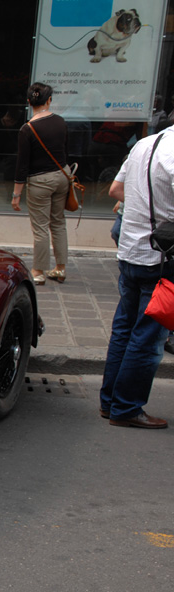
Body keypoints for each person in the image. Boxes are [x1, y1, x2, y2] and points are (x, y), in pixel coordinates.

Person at [99, 131, 174, 428]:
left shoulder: (146, 143)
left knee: (124, 328)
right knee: (149, 337)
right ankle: (127, 408)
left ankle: (110, 402)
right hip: (160, 258)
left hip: (131, 251)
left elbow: (117, 188)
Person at [12, 82, 70, 285]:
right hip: (62, 175)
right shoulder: (61, 122)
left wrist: (16, 193)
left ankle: (38, 270)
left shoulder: (27, 129)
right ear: (49, 100)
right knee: (59, 222)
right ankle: (61, 268)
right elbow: (64, 150)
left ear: (29, 102)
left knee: (40, 227)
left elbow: (22, 164)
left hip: (40, 181)